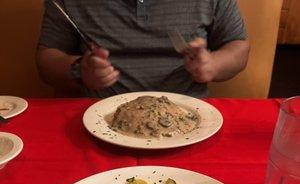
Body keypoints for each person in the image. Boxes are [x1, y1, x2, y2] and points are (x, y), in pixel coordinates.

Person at [36, 0, 250, 99]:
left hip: (188, 117)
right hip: (97, 119)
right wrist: (79, 71)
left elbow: (239, 47)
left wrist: (213, 65)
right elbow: (46, 60)